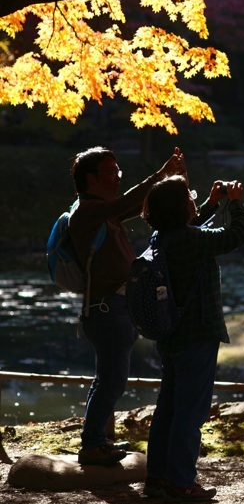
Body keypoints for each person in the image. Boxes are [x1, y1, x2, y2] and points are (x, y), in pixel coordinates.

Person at [69, 145, 185, 466]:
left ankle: (96, 439)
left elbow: (133, 205)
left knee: (107, 378)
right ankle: (92, 443)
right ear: (91, 179)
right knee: (112, 379)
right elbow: (128, 201)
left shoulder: (101, 213)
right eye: (112, 173)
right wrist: (160, 176)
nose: (118, 178)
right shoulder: (88, 212)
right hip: (107, 311)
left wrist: (165, 184)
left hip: (114, 308)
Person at [141, 174, 244, 503]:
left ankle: (157, 478)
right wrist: (236, 203)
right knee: (191, 412)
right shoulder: (191, 241)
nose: (193, 198)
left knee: (168, 410)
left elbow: (188, 224)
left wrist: (211, 204)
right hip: (198, 335)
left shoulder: (161, 237)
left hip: (170, 336)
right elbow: (236, 235)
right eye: (189, 196)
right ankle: (182, 482)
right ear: (180, 208)